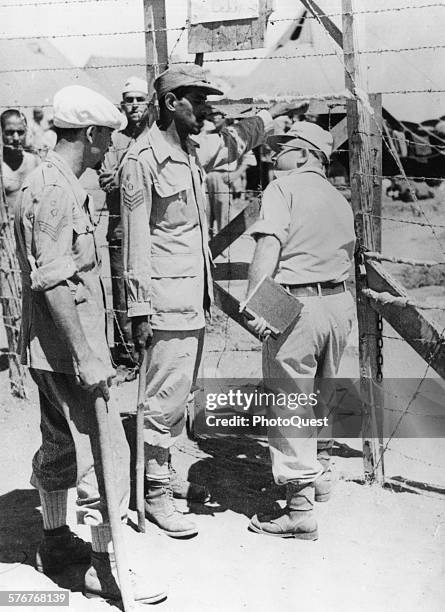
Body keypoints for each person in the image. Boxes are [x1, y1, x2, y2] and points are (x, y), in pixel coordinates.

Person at [15, 85, 166, 604]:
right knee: (102, 454)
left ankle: (57, 543)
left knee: (59, 444)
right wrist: (88, 354)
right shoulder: (55, 189)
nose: (108, 148)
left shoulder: (52, 182)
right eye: (106, 138)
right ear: (92, 134)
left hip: (48, 347)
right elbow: (55, 280)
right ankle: (110, 567)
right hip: (68, 350)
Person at [121, 64, 279, 538]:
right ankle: (153, 494)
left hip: (192, 297)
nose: (208, 109)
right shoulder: (142, 159)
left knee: (178, 396)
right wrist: (139, 309)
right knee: (162, 401)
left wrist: (264, 120)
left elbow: (230, 145)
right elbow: (134, 244)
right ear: (172, 103)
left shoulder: (188, 151)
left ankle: (160, 483)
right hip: (164, 301)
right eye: (200, 100)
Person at [244, 122, 356, 540]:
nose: (273, 156)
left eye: (283, 148)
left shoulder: (283, 188)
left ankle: (299, 509)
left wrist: (257, 303)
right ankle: (321, 476)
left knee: (289, 399)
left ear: (306, 154)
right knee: (321, 394)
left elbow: (269, 246)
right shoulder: (338, 198)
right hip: (338, 303)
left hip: (296, 304)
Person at [98, 76, 149, 374]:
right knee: (121, 292)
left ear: (148, 103)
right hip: (120, 229)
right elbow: (107, 181)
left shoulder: (154, 137)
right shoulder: (115, 141)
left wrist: (123, 176)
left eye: (138, 99)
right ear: (122, 105)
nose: (133, 106)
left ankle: (147, 353)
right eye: (128, 100)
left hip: (148, 230)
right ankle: (127, 357)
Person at [1, 109, 40, 216]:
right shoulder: (2, 166)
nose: (16, 138)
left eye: (20, 132)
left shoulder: (34, 161)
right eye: (9, 133)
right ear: (1, 132)